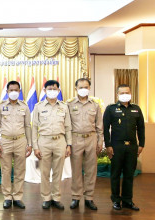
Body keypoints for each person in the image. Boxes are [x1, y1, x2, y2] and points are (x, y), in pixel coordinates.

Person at [103, 84, 145, 211]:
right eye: (122, 93)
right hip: (116, 146)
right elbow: (105, 129)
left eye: (127, 92)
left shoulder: (136, 109)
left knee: (129, 174)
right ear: (117, 94)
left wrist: (141, 144)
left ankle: (127, 200)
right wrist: (108, 145)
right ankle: (116, 200)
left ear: (131, 93)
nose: (124, 94)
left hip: (132, 146)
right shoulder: (111, 109)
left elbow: (141, 128)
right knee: (115, 174)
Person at [32, 80, 72, 210]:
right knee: (44, 172)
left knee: (58, 171)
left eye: (55, 89)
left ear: (58, 91)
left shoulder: (64, 106)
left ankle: (56, 198)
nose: (52, 91)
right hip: (44, 141)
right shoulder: (38, 106)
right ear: (44, 90)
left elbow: (68, 127)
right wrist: (35, 147)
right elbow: (34, 128)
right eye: (49, 89)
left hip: (60, 141)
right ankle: (46, 198)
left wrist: (69, 145)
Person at [0, 81, 32, 209]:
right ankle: (7, 197)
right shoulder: (0, 106)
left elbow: (27, 126)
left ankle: (18, 197)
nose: (14, 92)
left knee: (20, 170)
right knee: (6, 170)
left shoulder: (24, 106)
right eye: (11, 90)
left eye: (16, 90)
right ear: (7, 92)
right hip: (5, 142)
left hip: (21, 141)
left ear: (19, 91)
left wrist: (30, 143)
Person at [67, 78, 103, 210]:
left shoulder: (95, 105)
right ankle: (76, 197)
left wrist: (100, 142)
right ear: (76, 88)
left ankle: (89, 198)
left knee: (91, 170)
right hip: (75, 138)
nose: (83, 89)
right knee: (76, 170)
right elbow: (67, 126)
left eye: (86, 87)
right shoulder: (69, 105)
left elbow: (100, 126)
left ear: (89, 88)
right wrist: (68, 144)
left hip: (91, 138)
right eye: (81, 87)